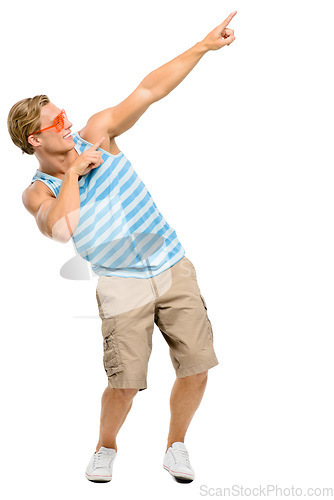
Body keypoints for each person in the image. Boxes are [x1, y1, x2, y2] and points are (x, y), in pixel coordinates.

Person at [7, 11, 237, 484]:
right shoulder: (38, 190)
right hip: (121, 284)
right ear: (37, 138)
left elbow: (149, 90)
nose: (70, 124)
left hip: (173, 267)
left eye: (66, 115)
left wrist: (202, 47)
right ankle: (105, 447)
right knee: (125, 383)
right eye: (59, 121)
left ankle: (176, 445)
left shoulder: (98, 133)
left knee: (196, 367)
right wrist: (73, 171)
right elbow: (60, 230)